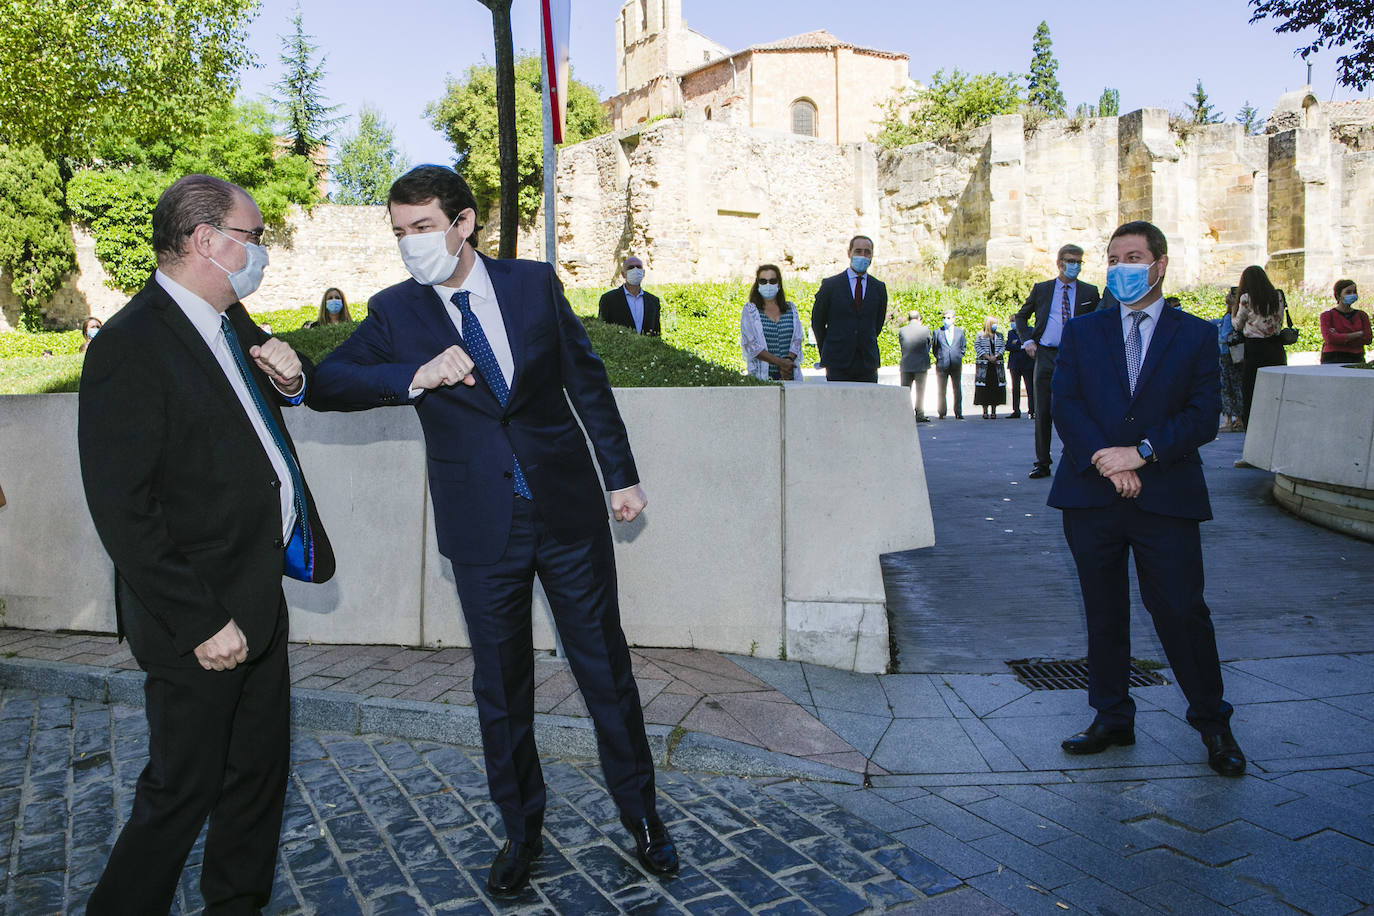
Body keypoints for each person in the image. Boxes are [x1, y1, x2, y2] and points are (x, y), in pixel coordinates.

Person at [308, 165, 677, 898]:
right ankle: (521, 831)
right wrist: (415, 372)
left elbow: (586, 381)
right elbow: (325, 384)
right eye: (399, 233)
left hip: (567, 514)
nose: (410, 244)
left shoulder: (532, 285)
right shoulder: (393, 314)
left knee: (605, 669)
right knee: (502, 690)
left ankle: (643, 820)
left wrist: (621, 475)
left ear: (464, 222)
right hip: (481, 529)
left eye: (421, 227)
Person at [77, 174, 336, 914]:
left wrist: (294, 378)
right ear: (204, 241)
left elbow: (281, 388)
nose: (263, 254)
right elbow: (123, 510)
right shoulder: (130, 345)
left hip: (258, 594)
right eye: (253, 239)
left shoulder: (233, 321)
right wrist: (202, 622)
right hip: (195, 616)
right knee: (182, 790)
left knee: (257, 779)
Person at [1049, 220, 1244, 778]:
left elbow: (1203, 416)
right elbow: (1066, 403)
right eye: (1113, 258)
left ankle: (1213, 723)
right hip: (1092, 495)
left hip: (1166, 496)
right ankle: (1112, 717)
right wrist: (1107, 460)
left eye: (1132, 256)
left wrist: (1142, 453)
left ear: (1159, 264)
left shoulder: (1194, 334)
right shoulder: (1084, 331)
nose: (1120, 268)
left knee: (1182, 612)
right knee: (1104, 613)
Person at [1015, 244, 1101, 478]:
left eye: (1079, 262)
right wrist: (1027, 341)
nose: (1075, 266)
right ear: (1059, 262)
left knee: (1078, 407)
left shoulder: (1090, 292)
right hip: (1046, 355)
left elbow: (1100, 322)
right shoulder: (1042, 289)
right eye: (1071, 261)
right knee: (1043, 410)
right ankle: (1042, 462)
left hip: (1076, 357)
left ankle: (1075, 455)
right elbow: (1021, 316)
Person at [811, 235, 888, 382]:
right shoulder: (830, 285)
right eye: (858, 251)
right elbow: (817, 322)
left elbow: (877, 324)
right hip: (837, 362)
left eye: (867, 252)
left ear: (872, 255)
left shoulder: (878, 288)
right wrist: (828, 349)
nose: (863, 256)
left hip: (867, 363)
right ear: (849, 253)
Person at [1234, 264, 1287, 427]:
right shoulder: (1277, 295)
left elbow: (1237, 324)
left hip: (1255, 347)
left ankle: (1253, 424)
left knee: (1251, 389)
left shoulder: (1246, 298)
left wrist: (1232, 308)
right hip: (1275, 346)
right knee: (1275, 387)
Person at [740, 264, 803, 380]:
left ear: (779, 284)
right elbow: (751, 345)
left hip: (789, 374)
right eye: (763, 281)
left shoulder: (791, 309)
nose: (768, 285)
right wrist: (780, 363)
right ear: (757, 284)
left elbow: (797, 338)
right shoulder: (750, 311)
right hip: (763, 377)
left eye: (772, 281)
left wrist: (788, 362)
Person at [597, 255, 661, 335]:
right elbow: (603, 330)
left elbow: (656, 333)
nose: (635, 270)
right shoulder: (608, 300)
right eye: (631, 267)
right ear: (623, 274)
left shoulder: (653, 301)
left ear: (643, 273)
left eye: (638, 267)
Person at [1321, 279, 1371, 365]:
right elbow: (1329, 339)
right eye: (1348, 292)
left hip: (1356, 357)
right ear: (1339, 295)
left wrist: (1339, 336)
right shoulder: (1327, 316)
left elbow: (1368, 339)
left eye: (1354, 292)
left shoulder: (1362, 315)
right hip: (1333, 358)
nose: (1352, 294)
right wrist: (1358, 334)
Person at [1216, 287, 1244, 432]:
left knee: (1227, 386)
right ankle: (1237, 418)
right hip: (1235, 355)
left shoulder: (1230, 316)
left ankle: (1230, 419)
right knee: (1236, 386)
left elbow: (1225, 336)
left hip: (1227, 355)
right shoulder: (1233, 315)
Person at [897, 310, 932, 421]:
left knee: (905, 390)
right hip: (921, 364)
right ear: (919, 319)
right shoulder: (925, 330)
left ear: (908, 319)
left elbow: (902, 345)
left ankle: (904, 412)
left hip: (906, 363)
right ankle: (920, 413)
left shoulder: (902, 330)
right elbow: (928, 345)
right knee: (920, 391)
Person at [931, 309, 966, 419]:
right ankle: (942, 412)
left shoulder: (960, 332)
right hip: (942, 364)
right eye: (944, 318)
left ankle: (958, 412)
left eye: (949, 318)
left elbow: (963, 347)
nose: (946, 320)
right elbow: (934, 348)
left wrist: (959, 355)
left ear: (954, 319)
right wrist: (940, 357)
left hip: (956, 363)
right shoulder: (937, 332)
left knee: (957, 388)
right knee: (941, 389)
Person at [973, 316, 1006, 419]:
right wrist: (987, 357)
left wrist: (996, 356)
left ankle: (994, 410)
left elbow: (1003, 347)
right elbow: (977, 346)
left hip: (996, 365)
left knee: (995, 387)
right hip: (984, 365)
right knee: (984, 387)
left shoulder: (999, 335)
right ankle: (985, 410)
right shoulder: (980, 335)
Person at [1005, 311, 1033, 419]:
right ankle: (1016, 410)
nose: (1012, 323)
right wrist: (1020, 346)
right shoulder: (1011, 333)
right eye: (1011, 321)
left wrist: (1016, 344)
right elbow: (1008, 346)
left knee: (1030, 387)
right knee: (1015, 388)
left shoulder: (1029, 330)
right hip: (1015, 364)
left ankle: (1032, 410)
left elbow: (1030, 344)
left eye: (1013, 321)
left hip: (1027, 363)